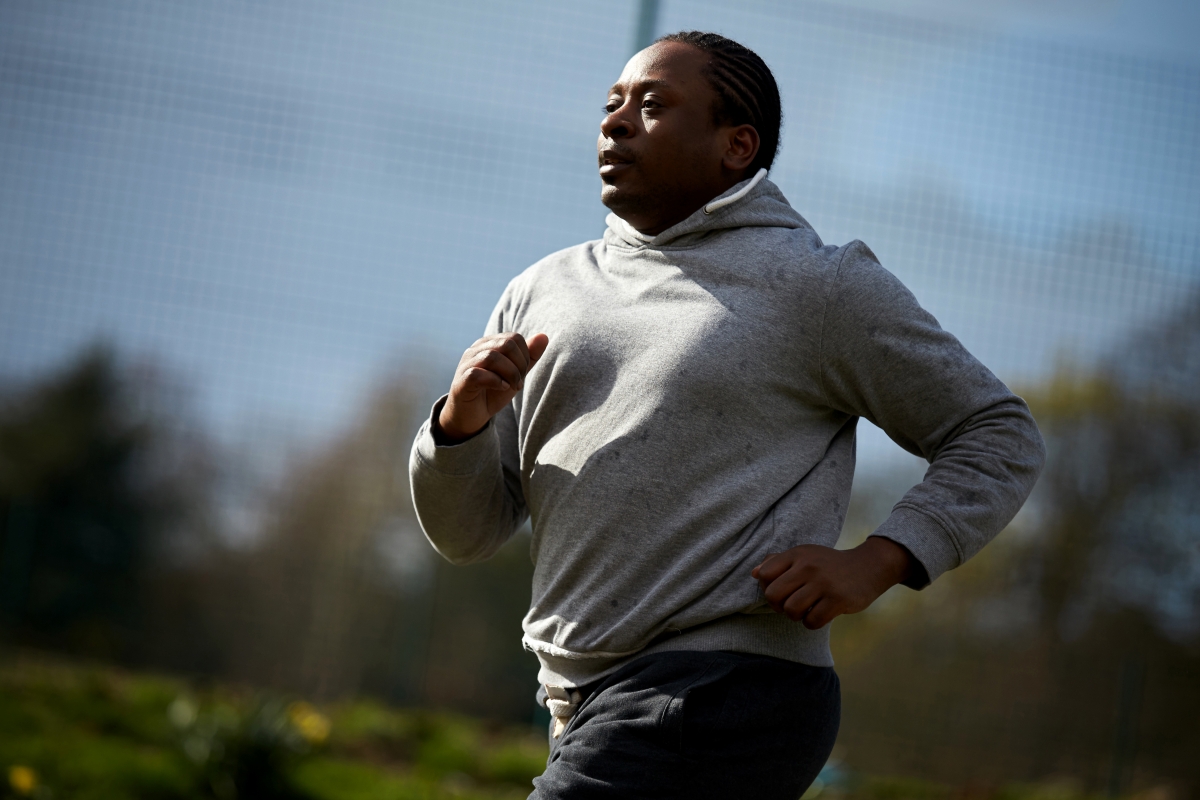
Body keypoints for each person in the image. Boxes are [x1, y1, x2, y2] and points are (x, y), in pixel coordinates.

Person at [409, 31, 1045, 800]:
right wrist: (458, 429)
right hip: (584, 706)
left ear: (736, 146)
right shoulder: (541, 290)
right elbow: (468, 533)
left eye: (652, 106)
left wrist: (878, 560)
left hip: (725, 689)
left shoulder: (814, 285)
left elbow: (998, 434)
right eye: (611, 106)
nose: (615, 123)